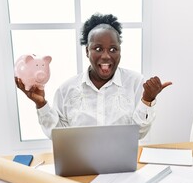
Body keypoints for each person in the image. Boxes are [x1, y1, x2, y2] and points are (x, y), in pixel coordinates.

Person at [15, 13, 172, 139]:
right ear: (87, 51)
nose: (106, 56)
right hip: (80, 167)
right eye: (97, 49)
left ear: (120, 51)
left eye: (112, 49)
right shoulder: (66, 89)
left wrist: (147, 100)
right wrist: (42, 105)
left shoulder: (136, 83)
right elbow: (58, 136)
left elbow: (138, 134)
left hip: (121, 168)